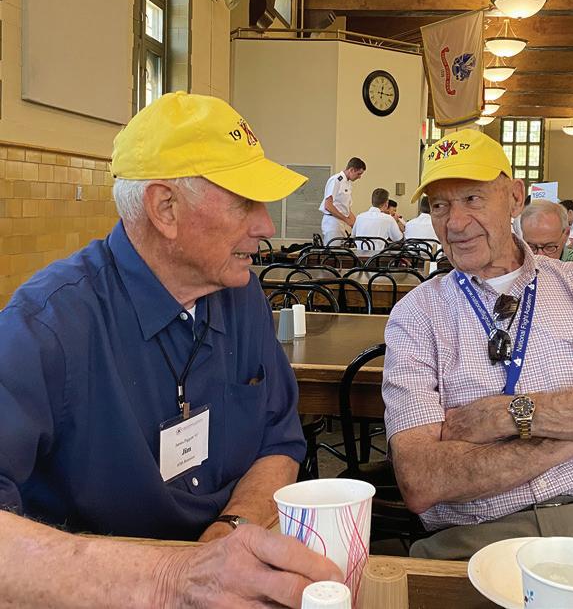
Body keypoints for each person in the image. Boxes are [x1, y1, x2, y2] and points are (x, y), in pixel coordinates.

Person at [0, 92, 341, 607]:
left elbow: (279, 440)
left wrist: (227, 534)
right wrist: (174, 579)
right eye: (244, 202)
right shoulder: (45, 326)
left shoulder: (242, 295)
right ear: (165, 209)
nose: (266, 227)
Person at [382, 128, 573, 576]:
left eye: (472, 198)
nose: (455, 223)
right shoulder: (416, 314)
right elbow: (421, 478)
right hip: (473, 540)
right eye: (439, 206)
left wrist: (503, 415)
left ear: (514, 197)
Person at [519, 200, 573, 264]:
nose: (540, 257)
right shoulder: (518, 262)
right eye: (531, 247)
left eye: (549, 247)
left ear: (566, 235)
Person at [319, 157, 366, 245]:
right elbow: (328, 205)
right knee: (333, 252)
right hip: (333, 222)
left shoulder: (348, 183)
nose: (359, 177)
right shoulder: (336, 180)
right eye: (358, 174)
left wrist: (357, 226)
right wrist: (346, 220)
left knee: (341, 251)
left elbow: (346, 209)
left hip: (341, 222)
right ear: (351, 170)